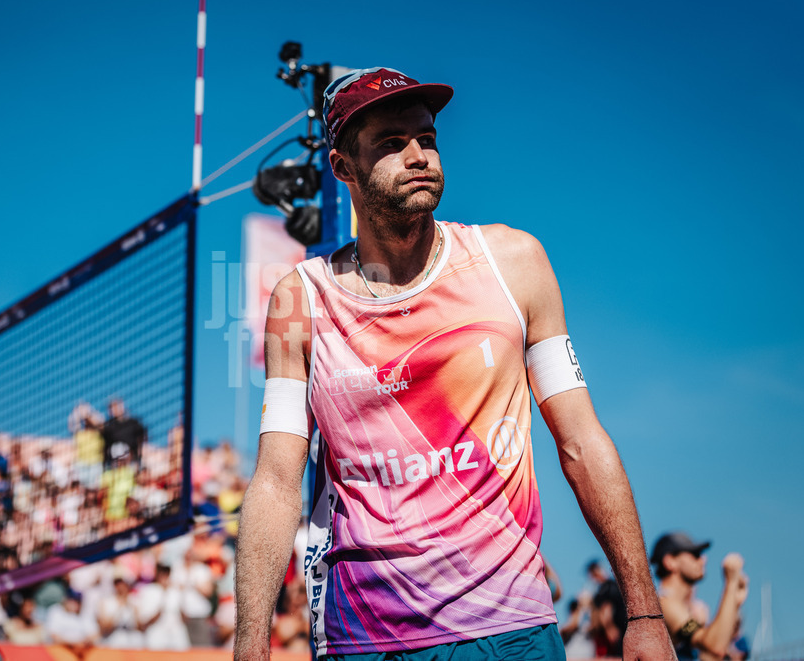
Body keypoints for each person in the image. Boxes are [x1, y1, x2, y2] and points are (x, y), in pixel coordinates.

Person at [234, 67, 675, 660]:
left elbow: (580, 441)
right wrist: (249, 642)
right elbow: (277, 479)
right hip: (366, 634)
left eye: (427, 138)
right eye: (392, 143)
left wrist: (644, 610)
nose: (418, 155)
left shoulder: (514, 262)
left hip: (511, 628)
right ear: (343, 167)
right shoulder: (301, 298)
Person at [651, 531, 749, 660]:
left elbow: (711, 656)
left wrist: (734, 604)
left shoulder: (683, 609)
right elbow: (715, 646)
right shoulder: (663, 603)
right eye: (695, 554)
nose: (703, 559)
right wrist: (731, 584)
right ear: (670, 562)